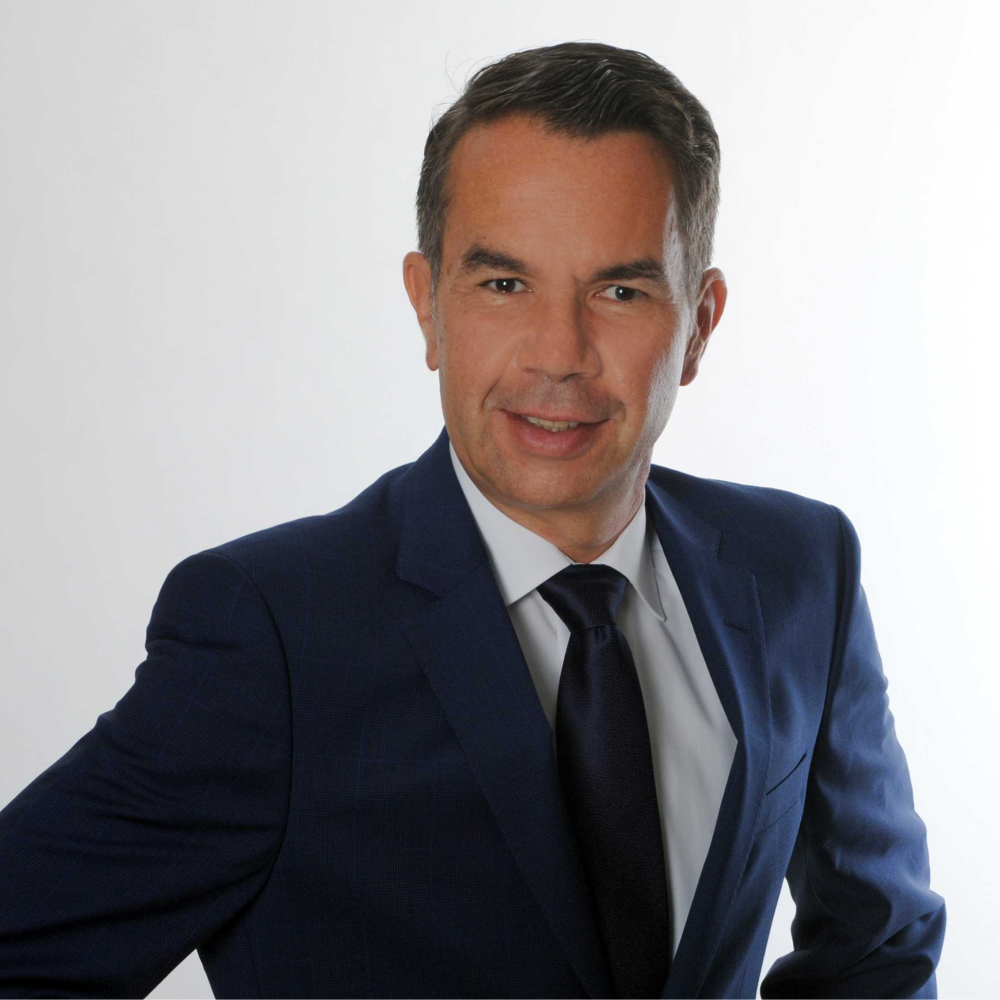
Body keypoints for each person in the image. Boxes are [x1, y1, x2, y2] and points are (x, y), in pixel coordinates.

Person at [0, 40, 945, 1000]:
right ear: (428, 306)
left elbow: (881, 951)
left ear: (699, 323)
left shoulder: (799, 571)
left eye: (619, 291)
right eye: (504, 284)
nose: (558, 353)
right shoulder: (275, 634)